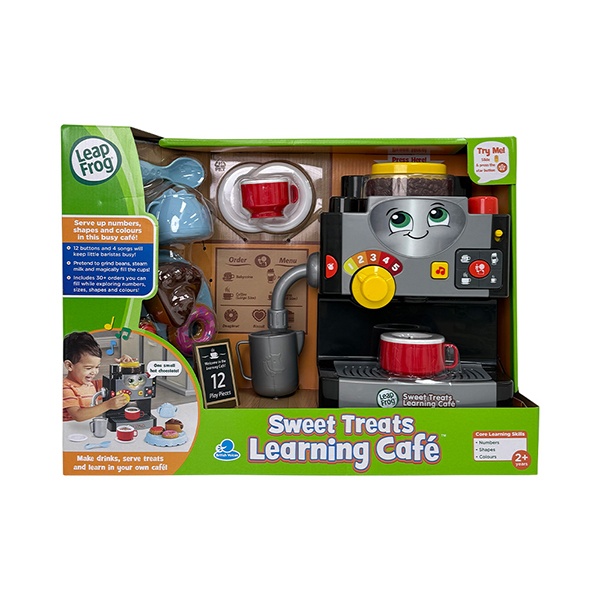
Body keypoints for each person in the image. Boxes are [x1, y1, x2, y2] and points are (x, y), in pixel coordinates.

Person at [63, 331, 134, 422]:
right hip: (70, 429)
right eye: (88, 368)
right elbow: (78, 415)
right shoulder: (65, 388)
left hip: (87, 427)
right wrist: (107, 405)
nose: (94, 372)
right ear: (69, 365)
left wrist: (126, 368)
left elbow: (119, 384)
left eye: (97, 367)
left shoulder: (92, 384)